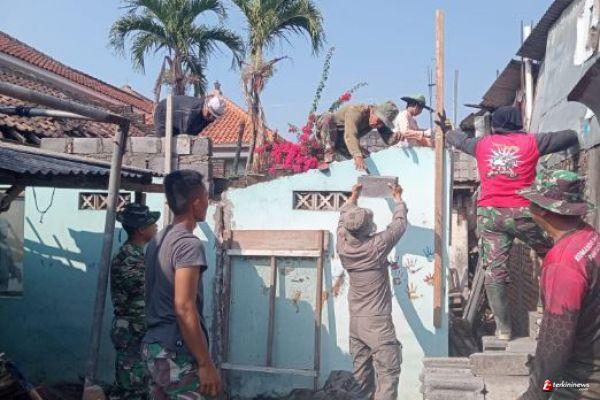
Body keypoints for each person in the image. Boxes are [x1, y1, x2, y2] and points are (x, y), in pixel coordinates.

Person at [443, 106, 579, 340]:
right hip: (524, 213)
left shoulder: (482, 145)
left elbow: (458, 140)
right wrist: (576, 134)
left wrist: (447, 130)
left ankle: (503, 329)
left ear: (495, 126)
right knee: (551, 253)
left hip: (490, 214)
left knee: (494, 270)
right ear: (518, 123)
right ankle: (543, 305)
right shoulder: (532, 142)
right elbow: (568, 137)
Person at [517, 170, 599, 400]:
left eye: (532, 202)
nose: (528, 208)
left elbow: (555, 344)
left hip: (582, 384)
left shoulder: (563, 264)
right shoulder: (590, 236)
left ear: (543, 210)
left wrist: (536, 393)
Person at [142, 170, 221, 399]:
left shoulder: (158, 240)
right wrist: (205, 363)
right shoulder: (188, 244)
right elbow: (184, 307)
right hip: (175, 351)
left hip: (153, 347)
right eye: (206, 198)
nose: (208, 203)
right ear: (196, 204)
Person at [337, 182, 407, 400]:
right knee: (388, 375)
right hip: (377, 323)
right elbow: (399, 225)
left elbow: (342, 217)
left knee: (361, 381)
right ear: (369, 229)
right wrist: (398, 198)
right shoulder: (377, 246)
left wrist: (353, 196)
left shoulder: (342, 246)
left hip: (356, 323)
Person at [110, 203, 160, 400]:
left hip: (137, 330)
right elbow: (144, 289)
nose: (156, 226)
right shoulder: (129, 257)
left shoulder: (135, 254)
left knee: (139, 385)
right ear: (141, 229)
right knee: (131, 388)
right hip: (132, 331)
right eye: (152, 223)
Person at [317, 101, 399, 171]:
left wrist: (396, 137)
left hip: (341, 142)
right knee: (326, 117)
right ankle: (325, 159)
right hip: (326, 136)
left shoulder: (377, 122)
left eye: (382, 123)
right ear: (373, 112)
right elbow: (350, 134)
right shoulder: (356, 111)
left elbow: (389, 139)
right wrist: (357, 155)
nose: (378, 124)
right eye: (379, 120)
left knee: (366, 158)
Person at [154, 91, 226, 137]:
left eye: (213, 117)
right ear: (206, 106)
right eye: (209, 114)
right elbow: (185, 134)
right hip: (163, 111)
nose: (210, 118)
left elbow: (194, 133)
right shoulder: (190, 112)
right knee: (164, 142)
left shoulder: (208, 118)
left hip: (178, 118)